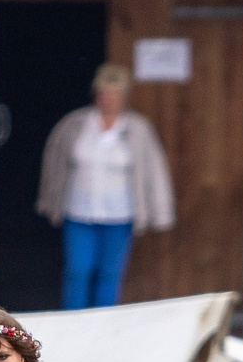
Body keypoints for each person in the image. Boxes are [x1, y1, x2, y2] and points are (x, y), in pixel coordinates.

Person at [37, 64, 176, 310]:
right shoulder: (75, 124)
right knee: (78, 269)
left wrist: (160, 211)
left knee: (109, 273)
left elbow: (153, 171)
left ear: (124, 97)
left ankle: (103, 323)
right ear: (95, 94)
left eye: (115, 94)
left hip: (119, 214)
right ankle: (73, 321)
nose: (109, 99)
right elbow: (54, 163)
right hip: (79, 211)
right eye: (104, 93)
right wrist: (49, 199)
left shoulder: (137, 129)